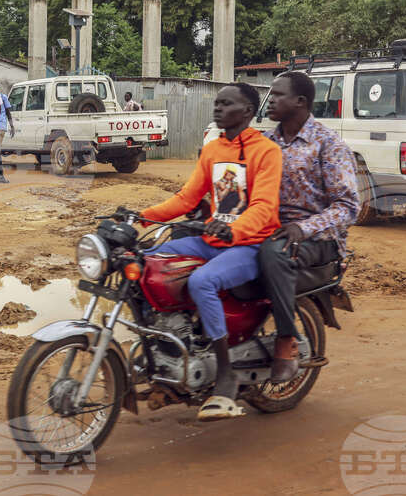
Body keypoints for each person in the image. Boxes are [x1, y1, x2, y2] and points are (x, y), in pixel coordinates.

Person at [140, 83, 282, 421]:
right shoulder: (213, 149)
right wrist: (143, 216)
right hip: (212, 240)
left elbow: (263, 207)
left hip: (249, 245)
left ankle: (225, 372)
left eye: (226, 104)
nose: (217, 109)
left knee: (201, 281)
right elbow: (187, 198)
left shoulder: (266, 151)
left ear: (247, 111)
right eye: (216, 104)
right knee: (148, 262)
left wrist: (234, 228)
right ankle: (167, 347)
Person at [258, 71, 359, 383]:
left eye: (278, 95)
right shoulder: (265, 142)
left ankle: (287, 341)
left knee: (274, 253)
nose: (270, 100)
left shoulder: (327, 144)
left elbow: (347, 206)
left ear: (300, 102)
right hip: (272, 228)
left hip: (319, 239)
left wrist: (303, 228)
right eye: (270, 94)